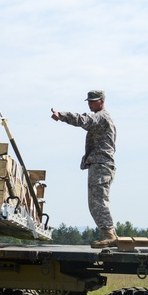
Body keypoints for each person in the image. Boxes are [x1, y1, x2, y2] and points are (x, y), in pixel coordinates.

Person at [51, 90, 117, 248]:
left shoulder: (101, 116)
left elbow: (83, 120)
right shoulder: (102, 116)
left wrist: (62, 116)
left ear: (101, 101)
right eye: (88, 101)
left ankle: (110, 235)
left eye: (93, 101)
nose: (89, 103)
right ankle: (110, 234)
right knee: (96, 201)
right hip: (100, 164)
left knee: (98, 201)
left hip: (101, 165)